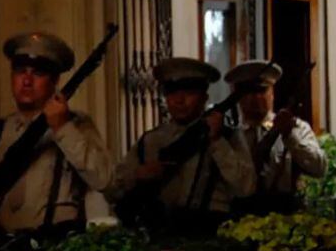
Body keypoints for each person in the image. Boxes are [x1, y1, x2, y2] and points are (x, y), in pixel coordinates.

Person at [0, 31, 113, 234]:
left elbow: (104, 180)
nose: (27, 81)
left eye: (37, 73)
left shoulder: (77, 126)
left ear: (55, 81)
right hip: (2, 248)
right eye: (20, 71)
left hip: (56, 248)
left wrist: (62, 128)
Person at [108, 57, 256, 231]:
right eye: (172, 92)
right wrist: (137, 174)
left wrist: (217, 142)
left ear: (204, 97)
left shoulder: (227, 136)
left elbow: (246, 188)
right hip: (159, 234)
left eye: (189, 92)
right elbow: (112, 190)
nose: (179, 100)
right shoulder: (151, 140)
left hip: (210, 233)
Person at [231, 60, 326, 213]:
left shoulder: (296, 128)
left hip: (284, 214)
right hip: (239, 214)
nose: (255, 98)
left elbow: (319, 167)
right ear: (238, 96)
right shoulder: (229, 135)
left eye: (261, 91)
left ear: (272, 93)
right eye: (249, 92)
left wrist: (290, 136)